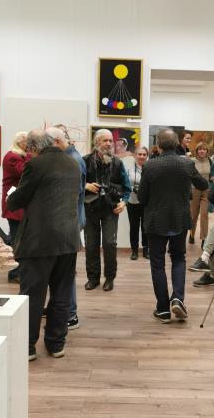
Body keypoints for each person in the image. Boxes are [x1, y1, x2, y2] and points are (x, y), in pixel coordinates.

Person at [7, 130, 81, 361]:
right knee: (62, 293)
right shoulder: (73, 163)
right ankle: (56, 344)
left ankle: (28, 347)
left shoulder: (35, 164)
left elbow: (17, 200)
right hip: (68, 239)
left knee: (32, 294)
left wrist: (11, 196)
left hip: (40, 240)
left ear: (33, 148)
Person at [138, 128, 208, 323]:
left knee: (157, 263)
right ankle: (178, 298)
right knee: (178, 258)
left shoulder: (149, 165)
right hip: (179, 219)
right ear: (177, 143)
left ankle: (162, 309)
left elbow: (142, 197)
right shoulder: (187, 163)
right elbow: (203, 184)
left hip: (156, 220)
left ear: (158, 145)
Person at [47, 126, 86, 330]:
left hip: (69, 222)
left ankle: (70, 314)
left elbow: (72, 193)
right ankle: (60, 307)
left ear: (58, 141)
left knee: (65, 271)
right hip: (68, 221)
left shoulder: (73, 160)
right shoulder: (69, 158)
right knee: (60, 270)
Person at [83, 129, 131, 292]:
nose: (109, 144)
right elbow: (74, 182)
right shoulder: (85, 161)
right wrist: (86, 185)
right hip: (90, 208)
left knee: (109, 244)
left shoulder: (117, 162)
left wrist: (124, 202)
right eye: (105, 140)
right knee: (91, 244)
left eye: (110, 141)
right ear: (97, 142)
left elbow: (127, 187)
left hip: (111, 209)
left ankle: (110, 278)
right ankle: (93, 278)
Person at [1, 131, 29, 282]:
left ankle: (19, 271)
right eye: (27, 142)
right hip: (14, 204)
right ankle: (14, 274)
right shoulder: (13, 156)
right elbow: (24, 172)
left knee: (19, 239)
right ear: (20, 142)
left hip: (18, 203)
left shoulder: (19, 155)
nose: (29, 145)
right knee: (16, 240)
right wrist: (31, 155)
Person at [126, 145, 149, 260]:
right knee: (134, 227)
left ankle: (146, 249)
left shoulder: (150, 169)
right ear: (135, 155)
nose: (142, 156)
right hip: (132, 201)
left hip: (146, 203)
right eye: (139, 154)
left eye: (144, 154)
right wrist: (132, 189)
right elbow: (125, 185)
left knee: (146, 227)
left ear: (147, 156)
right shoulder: (129, 169)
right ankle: (134, 250)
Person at [189, 142, 211, 245]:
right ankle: (191, 234)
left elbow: (211, 175)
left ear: (207, 151)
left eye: (204, 149)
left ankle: (204, 238)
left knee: (204, 214)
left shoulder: (209, 161)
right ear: (197, 151)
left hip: (206, 190)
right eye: (200, 149)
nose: (202, 151)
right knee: (193, 215)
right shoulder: (192, 161)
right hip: (195, 189)